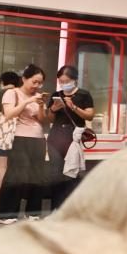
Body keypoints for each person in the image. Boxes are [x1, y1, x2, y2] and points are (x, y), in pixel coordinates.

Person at [0, 65, 48, 223]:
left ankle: (33, 212)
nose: (37, 86)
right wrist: (27, 101)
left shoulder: (38, 96)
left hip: (38, 138)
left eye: (40, 83)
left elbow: (42, 120)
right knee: (16, 175)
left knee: (37, 175)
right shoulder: (12, 93)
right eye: (34, 81)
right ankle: (6, 214)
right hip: (19, 137)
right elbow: (9, 114)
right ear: (24, 79)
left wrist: (41, 105)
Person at [46, 65, 95, 210]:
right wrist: (53, 109)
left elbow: (89, 115)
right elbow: (50, 119)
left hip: (72, 139)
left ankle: (69, 208)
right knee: (55, 172)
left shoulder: (84, 95)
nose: (63, 84)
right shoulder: (56, 95)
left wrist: (73, 107)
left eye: (66, 81)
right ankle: (55, 208)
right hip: (55, 138)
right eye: (61, 81)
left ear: (75, 80)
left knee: (71, 173)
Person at [0, 71, 21, 206]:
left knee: (1, 167)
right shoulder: (20, 94)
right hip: (19, 133)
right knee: (17, 167)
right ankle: (16, 197)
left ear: (2, 82)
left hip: (1, 134)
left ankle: (1, 197)